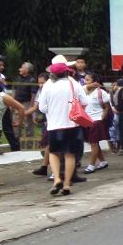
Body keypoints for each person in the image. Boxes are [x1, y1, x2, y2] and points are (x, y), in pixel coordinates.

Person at [39, 63, 88, 196]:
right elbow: (84, 102)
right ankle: (66, 184)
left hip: (55, 125)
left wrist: (53, 110)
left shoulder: (47, 86)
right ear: (66, 73)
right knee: (70, 154)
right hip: (73, 125)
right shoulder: (73, 84)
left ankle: (56, 179)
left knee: (54, 153)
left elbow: (42, 108)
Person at [81, 73, 111, 174]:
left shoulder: (101, 92)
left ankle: (91, 165)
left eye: (88, 80)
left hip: (97, 119)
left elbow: (107, 106)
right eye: (85, 80)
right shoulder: (83, 92)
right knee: (93, 143)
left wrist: (103, 116)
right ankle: (103, 161)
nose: (86, 82)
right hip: (86, 120)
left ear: (94, 81)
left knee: (93, 143)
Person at [13, 62, 38, 146]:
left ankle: (29, 142)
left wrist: (30, 107)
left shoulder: (32, 80)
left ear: (26, 70)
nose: (20, 69)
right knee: (16, 121)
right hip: (17, 103)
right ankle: (16, 141)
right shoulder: (18, 78)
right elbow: (15, 91)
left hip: (27, 103)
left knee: (28, 123)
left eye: (22, 67)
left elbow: (33, 95)